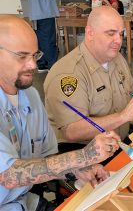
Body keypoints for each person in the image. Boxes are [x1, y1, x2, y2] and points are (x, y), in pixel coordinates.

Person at [0, 15, 120, 211]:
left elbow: (46, 158)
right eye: (22, 56)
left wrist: (77, 169)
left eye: (34, 55)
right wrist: (84, 156)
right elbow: (9, 175)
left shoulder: (29, 95)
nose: (33, 65)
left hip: (25, 202)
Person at [44, 7, 133, 158]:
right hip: (81, 156)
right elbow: (72, 131)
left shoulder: (117, 60)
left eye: (121, 34)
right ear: (90, 33)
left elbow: (131, 99)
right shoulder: (69, 74)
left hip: (117, 146)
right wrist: (123, 117)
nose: (118, 40)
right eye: (111, 33)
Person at [28, 0, 59, 73]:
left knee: (39, 39)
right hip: (45, 12)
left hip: (35, 13)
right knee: (48, 39)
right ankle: (51, 65)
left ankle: (42, 64)